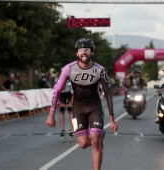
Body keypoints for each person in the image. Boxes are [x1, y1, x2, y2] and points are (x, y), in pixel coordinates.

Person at [46, 38, 118, 170]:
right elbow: (57, 90)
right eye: (80, 50)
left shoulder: (100, 70)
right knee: (83, 144)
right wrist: (51, 114)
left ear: (92, 52)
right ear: (76, 53)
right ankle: (100, 135)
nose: (83, 52)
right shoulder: (68, 68)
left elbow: (108, 94)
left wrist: (112, 119)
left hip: (95, 107)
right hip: (77, 110)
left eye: (87, 49)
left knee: (95, 141)